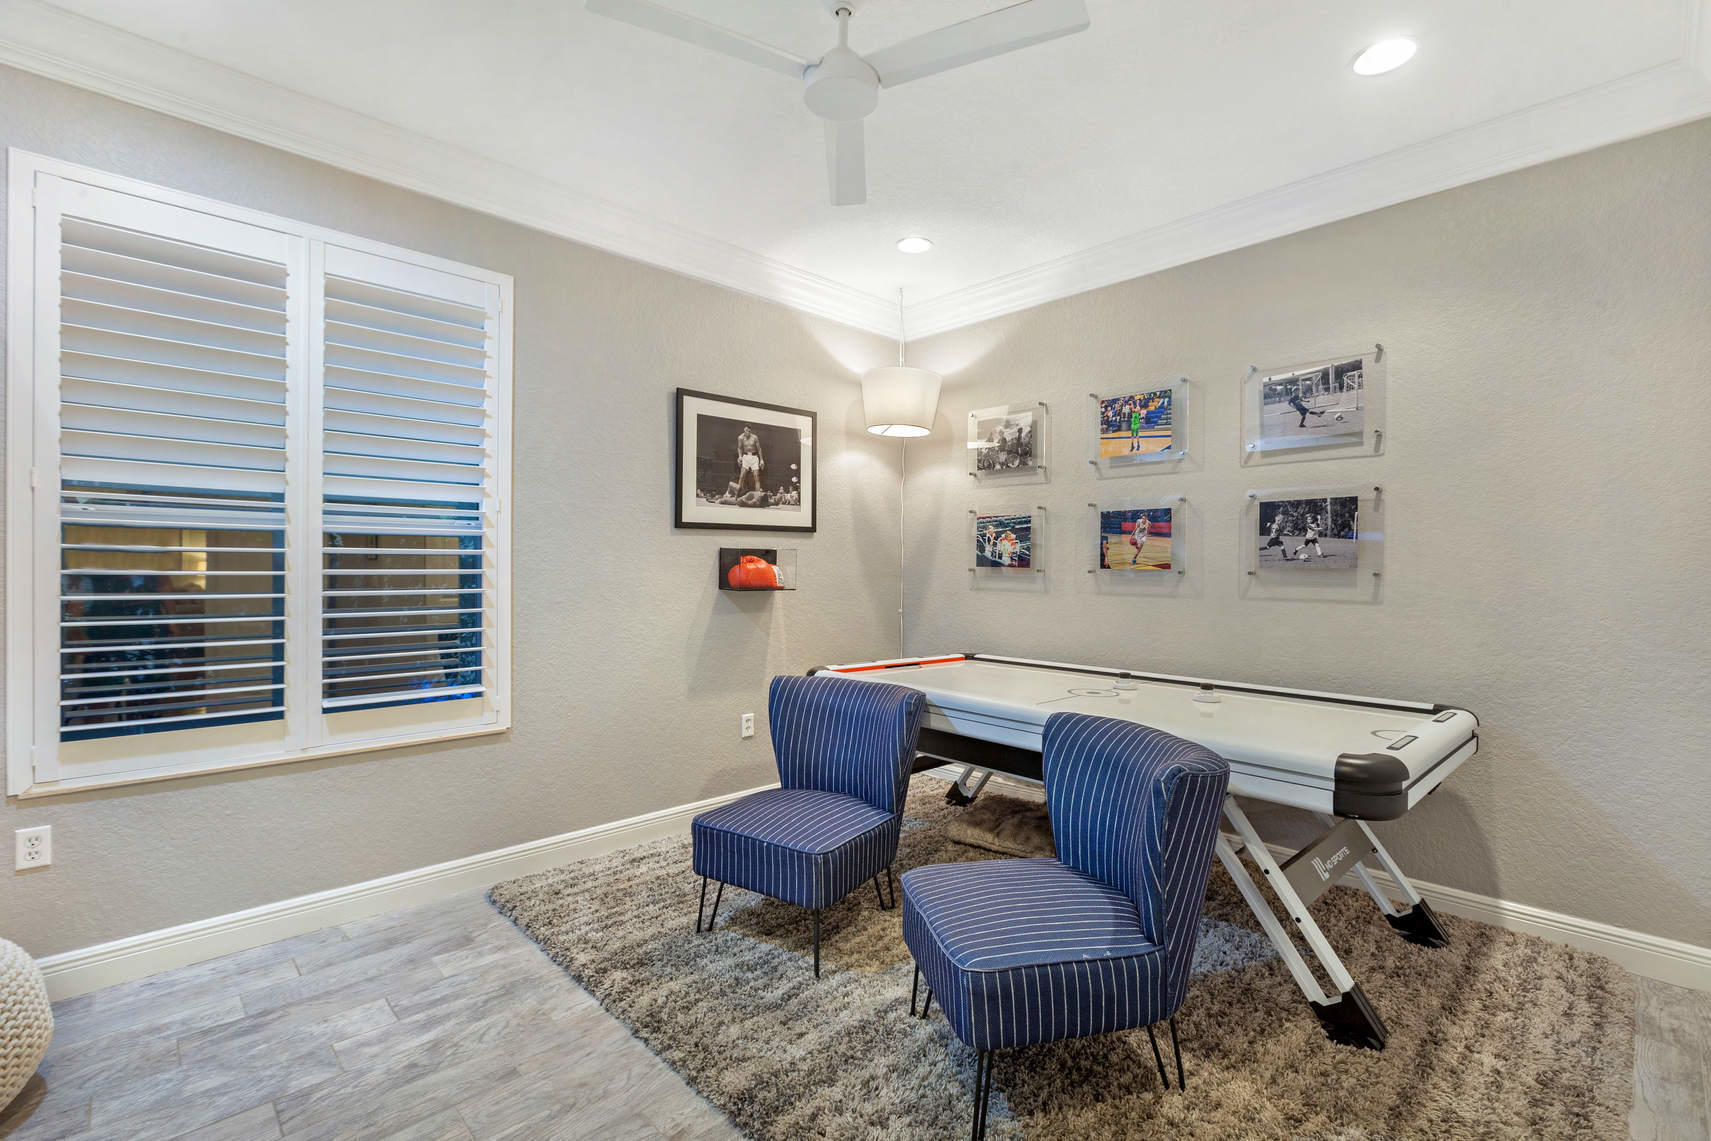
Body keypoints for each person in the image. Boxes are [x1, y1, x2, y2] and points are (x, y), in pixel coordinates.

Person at [735, 425, 764, 495]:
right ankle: (737, 494)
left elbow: (759, 449)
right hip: (745, 457)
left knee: (756, 476)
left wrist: (761, 460)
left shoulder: (754, 437)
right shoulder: (740, 437)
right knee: (742, 476)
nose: (747, 432)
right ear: (744, 430)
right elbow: (739, 448)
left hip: (754, 457)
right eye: (746, 430)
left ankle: (757, 495)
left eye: (748, 431)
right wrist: (740, 456)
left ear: (750, 431)